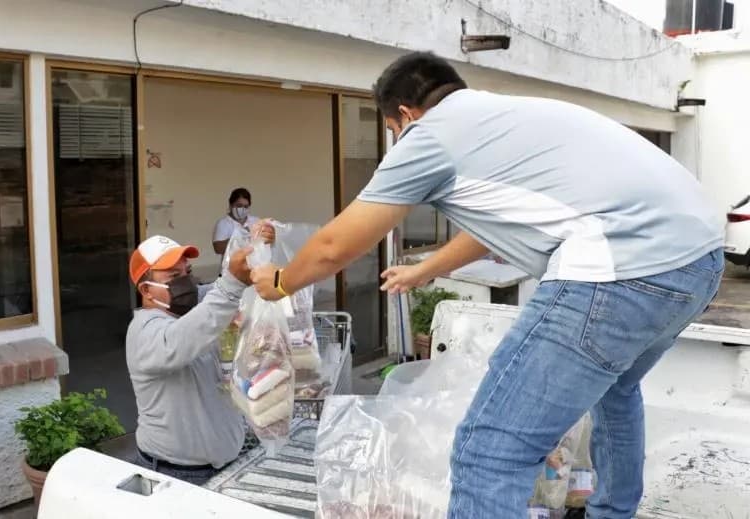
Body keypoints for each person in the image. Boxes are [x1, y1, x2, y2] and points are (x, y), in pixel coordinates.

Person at [250, 52, 724, 517]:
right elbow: (492, 222)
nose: (398, 139)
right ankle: (614, 512)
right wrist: (425, 268)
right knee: (616, 392)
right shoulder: (507, 119)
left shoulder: (427, 136)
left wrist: (280, 282)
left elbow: (336, 244)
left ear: (404, 114)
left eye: (393, 131)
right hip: (697, 261)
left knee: (489, 451)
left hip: (617, 270)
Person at [126, 225, 273, 485]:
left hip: (227, 466)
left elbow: (227, 292)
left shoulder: (194, 307)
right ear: (146, 290)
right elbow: (187, 336)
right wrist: (232, 284)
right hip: (175, 476)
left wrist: (257, 248)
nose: (186, 282)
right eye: (173, 275)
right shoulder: (144, 333)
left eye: (188, 272)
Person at [213, 188, 259, 265]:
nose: (243, 209)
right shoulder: (223, 223)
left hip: (254, 267)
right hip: (231, 270)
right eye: (239, 205)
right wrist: (239, 237)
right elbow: (218, 248)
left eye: (246, 206)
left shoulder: (255, 221)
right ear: (231, 205)